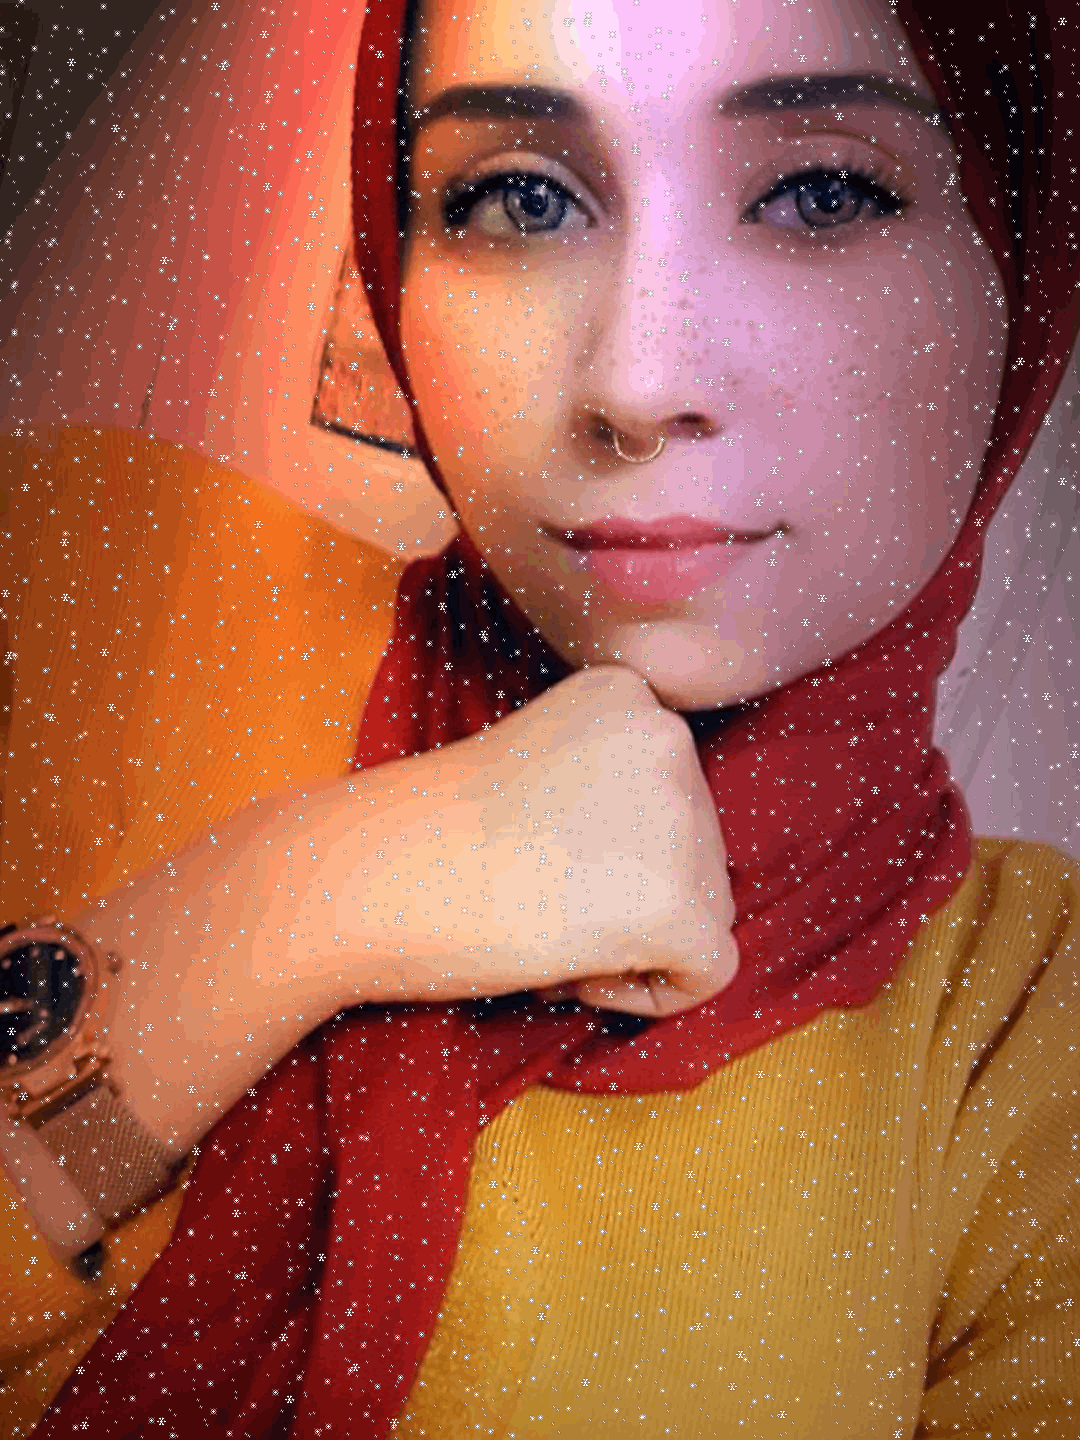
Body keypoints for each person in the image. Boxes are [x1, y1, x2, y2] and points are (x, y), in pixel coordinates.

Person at [0, 0, 1077, 1433]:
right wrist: (316, 888)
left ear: (1023, 256)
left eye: (823, 191)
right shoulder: (84, 567)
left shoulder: (1034, 1028)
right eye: (520, 197)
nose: (640, 384)